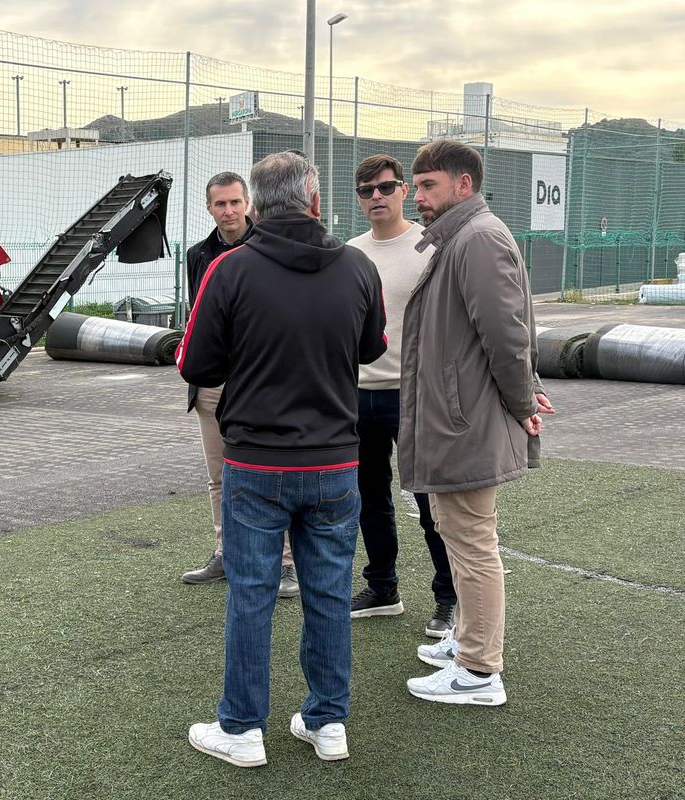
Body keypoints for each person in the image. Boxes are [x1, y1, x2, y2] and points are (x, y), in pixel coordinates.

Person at [179, 151, 386, 767]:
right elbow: (371, 347)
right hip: (333, 462)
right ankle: (328, 724)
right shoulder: (357, 267)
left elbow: (195, 363)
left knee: (251, 594)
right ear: (314, 197)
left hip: (257, 463)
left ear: (257, 204)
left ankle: (242, 730)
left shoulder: (228, 270)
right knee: (327, 593)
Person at [399, 140, 552, 706]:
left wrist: (523, 404)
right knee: (456, 532)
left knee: (471, 541)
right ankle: (468, 641)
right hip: (454, 419)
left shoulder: (479, 238)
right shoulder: (458, 237)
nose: (418, 198)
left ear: (463, 185)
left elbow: (509, 338)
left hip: (467, 422)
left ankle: (479, 670)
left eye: (428, 186)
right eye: (417, 186)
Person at [345, 154, 457, 637]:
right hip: (356, 394)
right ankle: (383, 587)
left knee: (431, 502)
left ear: (404, 192)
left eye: (386, 188)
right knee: (369, 499)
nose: (377, 197)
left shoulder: (430, 247)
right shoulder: (348, 253)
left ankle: (449, 599)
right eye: (367, 190)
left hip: (412, 396)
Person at [181, 171, 298, 599]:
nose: (228, 211)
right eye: (220, 204)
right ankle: (226, 552)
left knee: (272, 474)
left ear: (249, 203)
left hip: (263, 381)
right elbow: (197, 320)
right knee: (219, 476)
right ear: (209, 208)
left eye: (235, 202)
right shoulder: (198, 255)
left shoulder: (270, 247)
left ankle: (285, 564)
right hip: (214, 384)